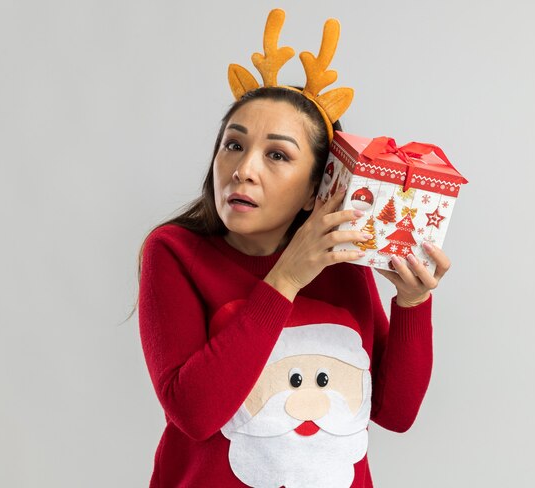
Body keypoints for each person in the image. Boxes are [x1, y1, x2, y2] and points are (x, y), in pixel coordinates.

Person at [135, 9, 450, 488]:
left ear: (314, 190)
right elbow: (194, 413)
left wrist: (413, 304)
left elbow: (395, 413)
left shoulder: (340, 259)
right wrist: (285, 279)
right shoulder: (173, 252)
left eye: (277, 154)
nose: (244, 169)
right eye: (233, 145)